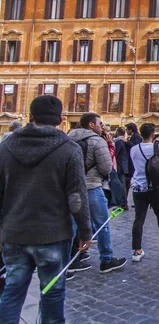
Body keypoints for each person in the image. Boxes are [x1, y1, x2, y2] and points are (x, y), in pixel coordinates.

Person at [0, 95, 93, 324]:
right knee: (52, 293)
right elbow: (76, 197)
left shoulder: (5, 147)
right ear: (61, 120)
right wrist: (85, 231)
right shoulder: (69, 149)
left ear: (30, 117)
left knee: (12, 291)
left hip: (14, 232)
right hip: (53, 234)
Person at [69, 113, 128, 273]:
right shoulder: (97, 141)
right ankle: (106, 259)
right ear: (90, 125)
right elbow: (106, 168)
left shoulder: (68, 138)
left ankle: (69, 261)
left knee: (72, 225)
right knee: (102, 224)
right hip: (91, 186)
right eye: (99, 123)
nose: (102, 126)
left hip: (72, 188)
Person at [128, 123, 159, 262]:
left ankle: (137, 250)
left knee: (139, 218)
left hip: (138, 187)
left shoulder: (134, 149)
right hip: (155, 187)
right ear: (152, 134)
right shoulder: (157, 147)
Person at [114, 127, 129, 208]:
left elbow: (115, 153)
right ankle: (123, 202)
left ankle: (123, 203)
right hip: (123, 165)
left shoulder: (119, 142)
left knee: (122, 184)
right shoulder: (123, 141)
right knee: (123, 184)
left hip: (120, 166)